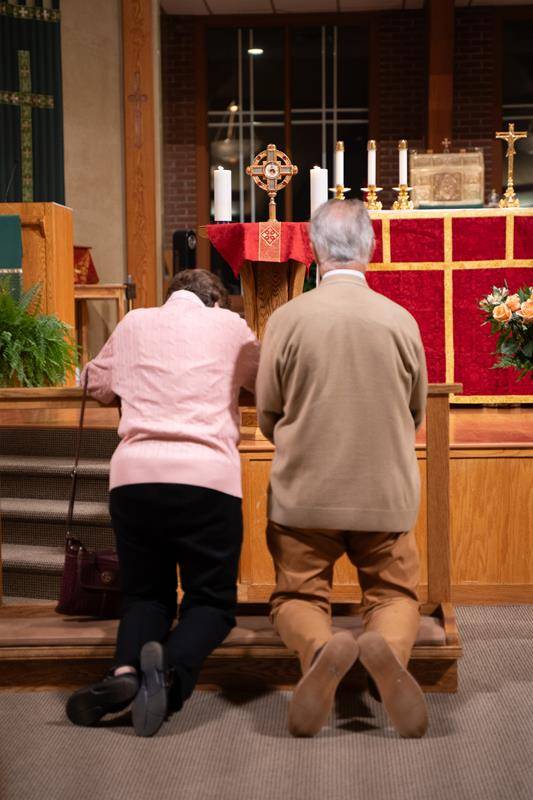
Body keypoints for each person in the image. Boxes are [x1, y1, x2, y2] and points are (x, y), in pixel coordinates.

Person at [256, 199, 429, 739]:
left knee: (298, 596)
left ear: (312, 251)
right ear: (371, 249)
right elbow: (416, 411)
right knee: (394, 594)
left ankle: (321, 646)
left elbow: (267, 413)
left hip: (305, 494)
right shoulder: (400, 320)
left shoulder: (286, 319)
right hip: (385, 495)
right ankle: (391, 656)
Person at [66, 269, 259, 737]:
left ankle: (125, 674)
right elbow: (265, 380)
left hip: (135, 478)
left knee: (145, 596)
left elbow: (94, 382)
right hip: (207, 478)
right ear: (214, 302)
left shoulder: (134, 322)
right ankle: (167, 675)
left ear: (169, 295)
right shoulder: (229, 325)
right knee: (210, 603)